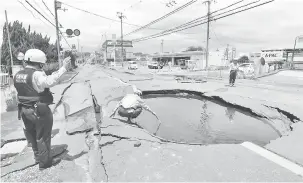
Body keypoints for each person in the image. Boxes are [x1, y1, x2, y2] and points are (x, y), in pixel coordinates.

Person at [13, 49, 71, 170]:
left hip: (24, 110)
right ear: (39, 63)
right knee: (43, 136)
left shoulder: (18, 74)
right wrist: (64, 68)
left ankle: (38, 157)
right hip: (38, 109)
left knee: (33, 135)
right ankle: (45, 163)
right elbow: (49, 81)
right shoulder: (37, 74)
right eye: (42, 64)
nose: (43, 66)